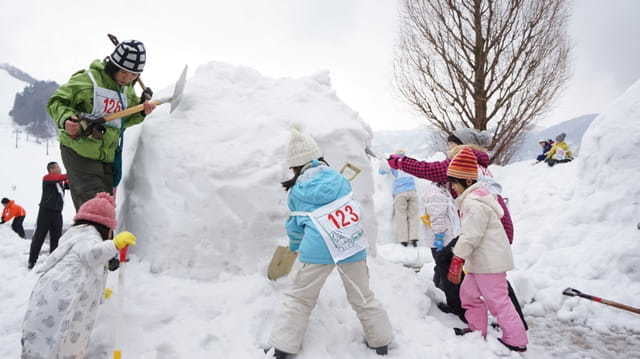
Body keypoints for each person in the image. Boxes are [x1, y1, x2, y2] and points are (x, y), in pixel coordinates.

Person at [268, 128, 393, 358]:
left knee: (300, 297)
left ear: (295, 167)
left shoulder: (297, 192)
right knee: (362, 295)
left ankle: (283, 347)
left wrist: (295, 248)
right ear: (318, 157)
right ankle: (381, 341)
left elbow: (295, 227)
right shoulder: (339, 179)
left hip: (318, 248)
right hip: (350, 243)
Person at [387, 128, 528, 330]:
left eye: (451, 144)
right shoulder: (479, 163)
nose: (448, 149)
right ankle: (471, 309)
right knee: (478, 271)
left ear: (462, 145)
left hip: (491, 226)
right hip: (494, 223)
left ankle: (465, 311)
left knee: (459, 263)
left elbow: (428, 170)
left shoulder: (464, 159)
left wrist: (400, 162)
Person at [21, 192, 137, 358]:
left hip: (50, 295)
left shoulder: (74, 233)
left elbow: (88, 270)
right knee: (65, 340)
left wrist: (99, 295)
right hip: (66, 300)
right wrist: (115, 244)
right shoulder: (88, 234)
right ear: (105, 226)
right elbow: (92, 254)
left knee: (42, 341)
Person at [47, 40, 156, 210]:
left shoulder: (126, 90)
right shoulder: (89, 80)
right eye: (124, 72)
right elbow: (56, 101)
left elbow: (124, 120)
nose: (127, 78)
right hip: (80, 151)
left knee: (106, 208)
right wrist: (66, 119)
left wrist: (141, 109)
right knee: (95, 210)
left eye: (134, 75)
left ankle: (101, 237)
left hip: (107, 158)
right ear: (113, 65)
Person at [446, 147, 528, 352]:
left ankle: (516, 339)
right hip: (480, 263)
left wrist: (457, 259)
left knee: (498, 302)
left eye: (454, 183)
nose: (452, 188)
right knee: (468, 295)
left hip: (490, 264)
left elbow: (471, 236)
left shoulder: (474, 204)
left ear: (466, 181)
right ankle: (476, 330)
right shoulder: (474, 200)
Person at [422, 182, 465, 321]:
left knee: (442, 269)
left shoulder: (442, 191)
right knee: (446, 272)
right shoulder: (435, 194)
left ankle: (440, 293)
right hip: (441, 240)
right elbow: (437, 218)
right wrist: (439, 237)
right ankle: (450, 301)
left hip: (447, 238)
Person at [28, 162, 70, 269]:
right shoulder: (47, 178)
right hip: (45, 212)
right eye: (58, 167)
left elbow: (69, 184)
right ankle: (32, 261)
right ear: (51, 169)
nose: (60, 168)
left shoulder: (60, 182)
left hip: (57, 213)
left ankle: (53, 261)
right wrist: (72, 173)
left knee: (56, 238)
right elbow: (62, 177)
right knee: (39, 236)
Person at [379, 150, 419, 247]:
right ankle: (414, 238)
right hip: (412, 191)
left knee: (401, 216)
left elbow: (381, 171)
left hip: (400, 192)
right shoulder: (409, 163)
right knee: (413, 215)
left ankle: (403, 240)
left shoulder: (394, 163)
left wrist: (383, 160)